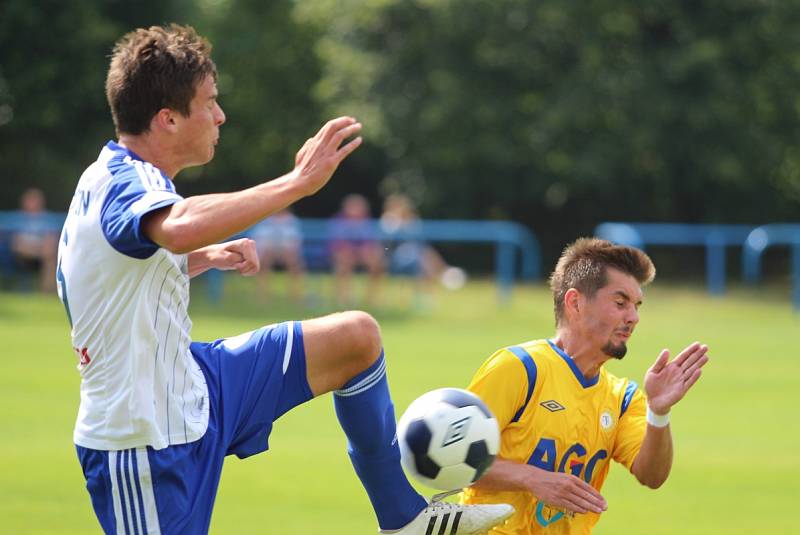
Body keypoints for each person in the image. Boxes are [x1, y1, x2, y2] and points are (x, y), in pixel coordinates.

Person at [56, 24, 512, 535]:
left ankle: (405, 519)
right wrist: (296, 184)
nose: (220, 114)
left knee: (355, 339)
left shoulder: (109, 176)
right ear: (167, 119)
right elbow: (177, 226)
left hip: (196, 383)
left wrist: (202, 258)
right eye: (209, 102)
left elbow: (115, 274)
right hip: (141, 442)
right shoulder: (126, 183)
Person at [459, 238, 709, 534]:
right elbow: (455, 463)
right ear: (575, 302)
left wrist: (659, 412)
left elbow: (652, 475)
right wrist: (531, 478)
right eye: (620, 303)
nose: (633, 317)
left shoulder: (623, 398)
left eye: (636, 306)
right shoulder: (519, 369)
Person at [380, 193, 466, 305]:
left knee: (423, 254)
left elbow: (418, 239)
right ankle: (443, 275)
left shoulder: (410, 221)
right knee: (422, 257)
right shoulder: (388, 221)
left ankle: (439, 279)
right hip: (393, 260)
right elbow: (386, 246)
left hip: (413, 257)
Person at [329, 193, 386, 307]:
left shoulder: (366, 221)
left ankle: (372, 297)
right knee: (344, 260)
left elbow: (369, 242)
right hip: (343, 254)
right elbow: (336, 243)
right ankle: (345, 297)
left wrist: (364, 250)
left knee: (377, 262)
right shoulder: (338, 221)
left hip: (361, 253)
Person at [250, 208, 305, 304]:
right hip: (267, 250)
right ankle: (262, 297)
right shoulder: (264, 219)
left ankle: (296, 296)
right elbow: (258, 238)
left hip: (286, 251)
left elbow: (295, 240)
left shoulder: (291, 220)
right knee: (263, 264)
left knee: (295, 264)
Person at [11, 187, 58, 292]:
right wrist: (38, 250)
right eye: (30, 200)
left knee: (50, 260)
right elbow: (17, 245)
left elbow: (51, 241)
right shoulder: (17, 219)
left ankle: (47, 296)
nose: (33, 203)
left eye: (36, 200)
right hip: (22, 258)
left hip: (43, 257)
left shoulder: (48, 219)